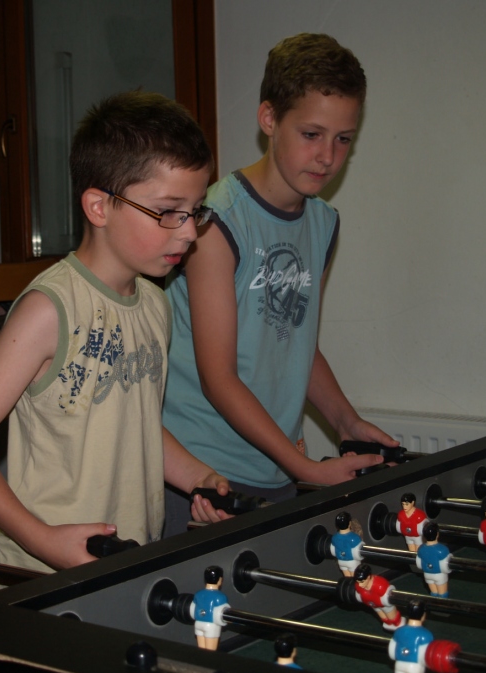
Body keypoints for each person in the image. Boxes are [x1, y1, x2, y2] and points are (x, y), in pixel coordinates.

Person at [0, 91, 231, 574]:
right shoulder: (49, 310)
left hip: (123, 559)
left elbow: (133, 423)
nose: (189, 232)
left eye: (196, 210)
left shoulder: (155, 303)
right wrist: (43, 540)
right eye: (168, 211)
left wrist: (197, 476)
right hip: (38, 574)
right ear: (98, 206)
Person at [161, 33, 398, 536]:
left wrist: (346, 422)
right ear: (269, 119)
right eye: (311, 134)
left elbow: (296, 343)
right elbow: (218, 378)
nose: (327, 156)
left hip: (274, 468)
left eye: (343, 139)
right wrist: (305, 468)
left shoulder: (324, 223)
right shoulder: (215, 220)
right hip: (201, 476)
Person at [353, 563, 405, 631]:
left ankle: (400, 627)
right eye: (358, 582)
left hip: (385, 606)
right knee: (385, 620)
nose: (360, 584)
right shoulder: (358, 587)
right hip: (374, 606)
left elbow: (390, 593)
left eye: (362, 581)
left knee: (394, 620)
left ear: (368, 577)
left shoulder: (380, 585)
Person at [190, 566, 230, 651]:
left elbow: (192, 609)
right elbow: (222, 613)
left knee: (202, 652)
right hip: (211, 626)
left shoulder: (198, 594)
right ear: (220, 579)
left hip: (198, 624)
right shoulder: (220, 597)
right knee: (210, 653)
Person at [388, 600, 432, 673]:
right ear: (423, 615)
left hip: (399, 664)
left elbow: (391, 651)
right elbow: (427, 655)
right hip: (415, 666)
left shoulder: (399, 631)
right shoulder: (426, 635)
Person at [416, 522, 451, 598]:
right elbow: (447, 565)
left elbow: (419, 564)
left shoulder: (421, 549)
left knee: (433, 593)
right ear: (437, 534)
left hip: (427, 575)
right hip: (439, 575)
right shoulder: (442, 550)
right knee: (442, 594)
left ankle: (434, 603)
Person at [330, 511, 362, 577]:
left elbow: (333, 550)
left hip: (341, 562)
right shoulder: (354, 538)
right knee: (355, 579)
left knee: (347, 578)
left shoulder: (334, 538)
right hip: (352, 562)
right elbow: (359, 551)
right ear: (349, 523)